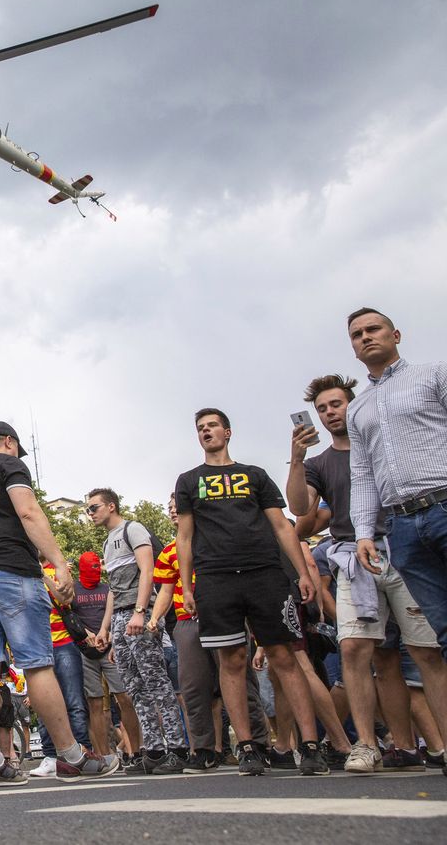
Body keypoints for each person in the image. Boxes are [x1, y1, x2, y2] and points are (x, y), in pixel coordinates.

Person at [287, 370, 447, 773]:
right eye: (320, 409)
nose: (328, 413)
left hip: (404, 547)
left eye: (335, 404)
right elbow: (301, 508)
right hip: (353, 558)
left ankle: (439, 745)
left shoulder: (381, 444)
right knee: (364, 651)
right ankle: (371, 745)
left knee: (427, 650)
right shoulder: (321, 462)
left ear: (353, 404)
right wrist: (297, 457)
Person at [0, 421, 117, 786]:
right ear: (9, 443)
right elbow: (28, 513)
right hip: (10, 574)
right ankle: (71, 756)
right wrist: (57, 563)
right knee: (38, 663)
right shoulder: (9, 465)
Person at [174, 408, 328, 776]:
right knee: (232, 660)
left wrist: (304, 573)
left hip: (265, 574)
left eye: (212, 426)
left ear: (227, 432)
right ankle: (247, 747)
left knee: (284, 657)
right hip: (216, 578)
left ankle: (309, 746)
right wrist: (187, 584)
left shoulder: (254, 475)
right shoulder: (188, 480)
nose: (205, 431)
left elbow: (282, 525)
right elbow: (185, 536)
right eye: (200, 428)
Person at [346, 309, 447, 661]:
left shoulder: (433, 374)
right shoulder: (357, 409)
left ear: (396, 335)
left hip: (444, 504)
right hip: (401, 527)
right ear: (354, 349)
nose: (366, 337)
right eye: (357, 335)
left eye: (373, 329)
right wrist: (361, 533)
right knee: (443, 631)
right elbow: (361, 474)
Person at [153, 495, 271, 772]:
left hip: (224, 614)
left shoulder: (216, 540)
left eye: (177, 507)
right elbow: (166, 591)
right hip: (186, 621)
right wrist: (153, 618)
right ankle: (204, 750)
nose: (173, 512)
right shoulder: (169, 551)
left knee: (242, 681)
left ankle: (258, 745)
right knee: (193, 687)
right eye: (169, 508)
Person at [87, 488, 188, 774]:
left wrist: (141, 612)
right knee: (134, 688)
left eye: (94, 508)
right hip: (120, 618)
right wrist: (105, 629)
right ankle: (153, 750)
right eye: (88, 509)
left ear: (111, 506)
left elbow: (147, 570)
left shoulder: (134, 529)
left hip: (138, 614)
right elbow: (113, 590)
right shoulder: (107, 543)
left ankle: (178, 748)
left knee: (156, 682)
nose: (90, 514)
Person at [71, 552, 142, 762]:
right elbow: (69, 616)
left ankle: (136, 750)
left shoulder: (107, 589)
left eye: (97, 567)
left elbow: (117, 613)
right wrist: (85, 633)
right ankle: (103, 754)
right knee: (94, 703)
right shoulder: (74, 590)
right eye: (90, 567)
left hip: (111, 648)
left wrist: (111, 633)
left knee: (124, 697)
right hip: (85, 650)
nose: (94, 571)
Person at [30, 560, 93, 778]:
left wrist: (43, 576)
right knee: (44, 705)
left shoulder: (58, 571)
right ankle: (50, 756)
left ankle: (82, 750)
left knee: (74, 702)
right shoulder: (23, 575)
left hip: (63, 644)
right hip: (38, 646)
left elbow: (65, 599)